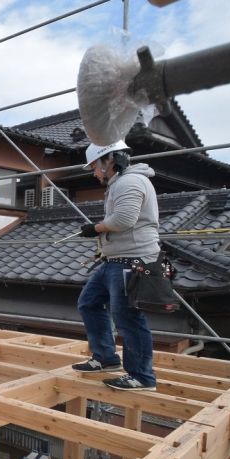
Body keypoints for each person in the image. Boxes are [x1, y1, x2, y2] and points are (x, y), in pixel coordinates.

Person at [72, 139, 160, 391]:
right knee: (88, 302)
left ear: (108, 160)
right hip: (117, 260)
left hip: (133, 260)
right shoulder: (120, 183)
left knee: (128, 318)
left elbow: (124, 219)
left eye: (94, 167)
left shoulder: (129, 181)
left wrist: (95, 228)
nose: (94, 173)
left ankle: (142, 377)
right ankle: (105, 358)